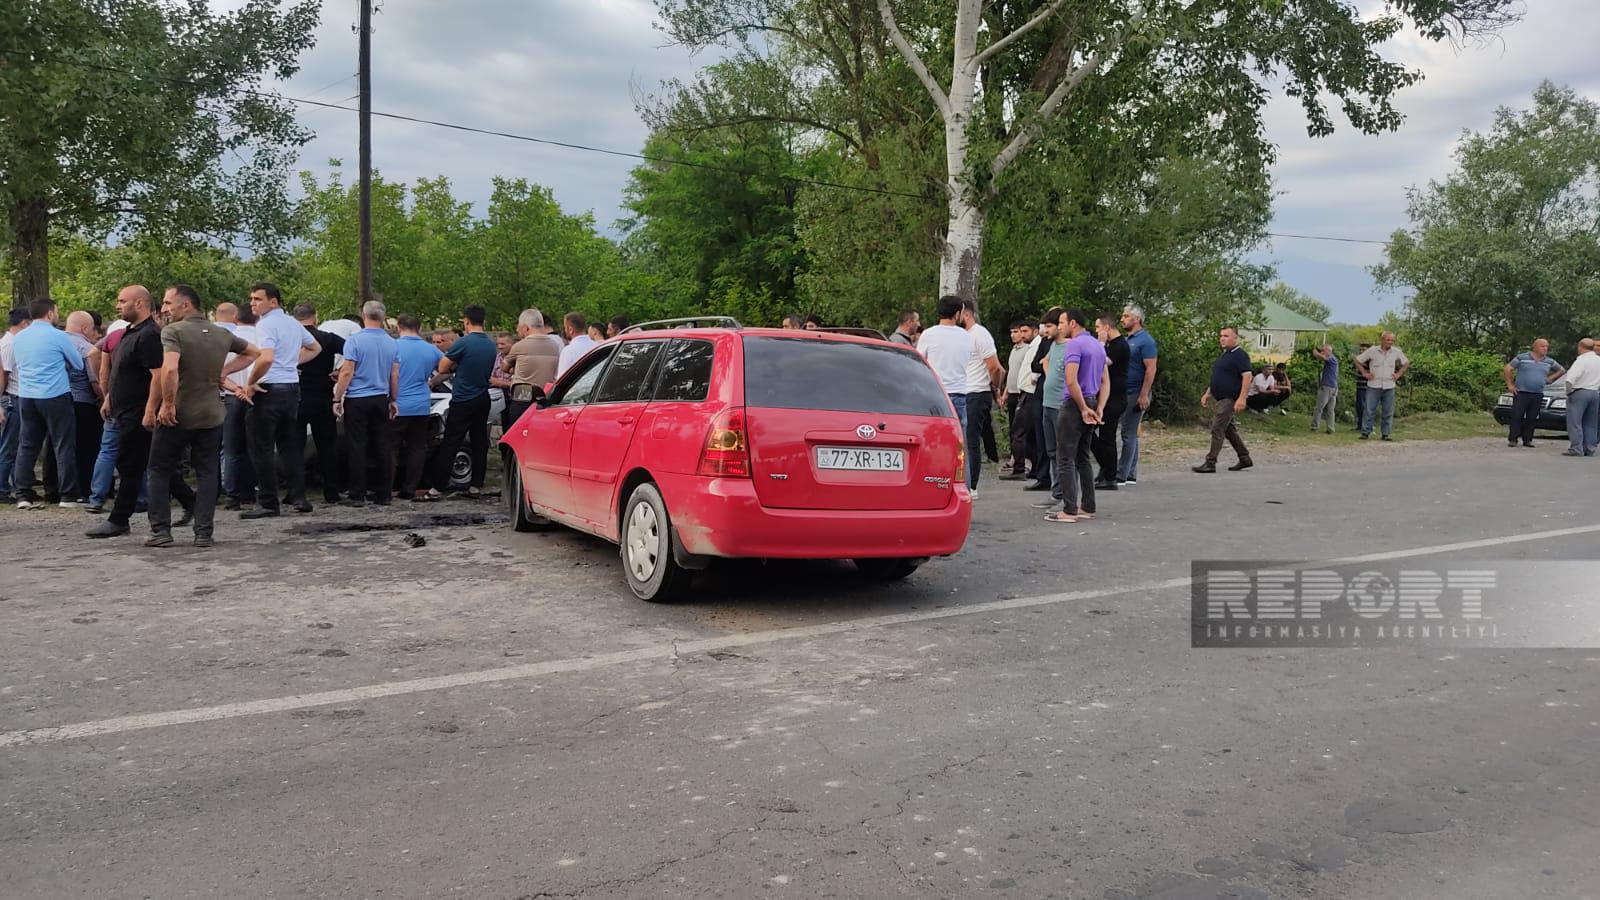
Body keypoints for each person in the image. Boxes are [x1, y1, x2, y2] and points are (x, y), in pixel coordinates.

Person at [145, 284, 258, 547]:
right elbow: (253, 352)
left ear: (186, 305)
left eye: (168, 303)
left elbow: (170, 369)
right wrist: (224, 373)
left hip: (179, 412)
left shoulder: (173, 331)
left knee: (159, 469)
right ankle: (204, 533)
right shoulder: (221, 333)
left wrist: (168, 404)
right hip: (211, 412)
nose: (164, 309)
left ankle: (161, 531)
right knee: (207, 472)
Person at [86, 286, 170, 538]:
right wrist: (109, 398)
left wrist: (150, 409)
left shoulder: (150, 335)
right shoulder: (128, 333)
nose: (118, 305)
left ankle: (119, 519)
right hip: (122, 410)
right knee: (142, 462)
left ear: (140, 303)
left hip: (138, 411)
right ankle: (190, 501)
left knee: (132, 465)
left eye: (123, 301)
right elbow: (120, 371)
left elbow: (157, 375)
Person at [240, 282, 321, 518]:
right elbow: (315, 347)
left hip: (268, 389)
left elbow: (266, 358)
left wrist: (251, 382)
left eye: (257, 299)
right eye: (251, 299)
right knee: (290, 446)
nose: (252, 303)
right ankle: (299, 496)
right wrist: (291, 362)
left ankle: (268, 502)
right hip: (291, 388)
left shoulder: (265, 324)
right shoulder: (293, 323)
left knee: (261, 447)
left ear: (273, 301)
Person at [10, 299, 86, 508]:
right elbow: (78, 364)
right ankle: (68, 495)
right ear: (50, 313)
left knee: (27, 445)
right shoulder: (58, 336)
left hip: (26, 395)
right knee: (63, 444)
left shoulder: (19, 337)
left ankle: (23, 494)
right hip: (55, 394)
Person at [1043, 309, 1108, 524]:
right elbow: (1105, 381)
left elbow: (1071, 381)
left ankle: (1069, 509)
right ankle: (1088, 506)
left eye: (1062, 322)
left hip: (1074, 404)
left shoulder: (1074, 345)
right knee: (1082, 457)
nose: (1060, 326)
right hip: (1091, 399)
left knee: (1065, 458)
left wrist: (1082, 408)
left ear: (1073, 323)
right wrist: (1099, 407)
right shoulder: (1097, 345)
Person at [334, 300, 399, 507]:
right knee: (382, 445)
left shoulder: (354, 341)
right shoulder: (392, 343)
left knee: (357, 445)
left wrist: (337, 397)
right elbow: (394, 374)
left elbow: (347, 371)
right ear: (383, 317)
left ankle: (357, 493)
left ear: (363, 315)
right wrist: (393, 399)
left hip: (358, 398)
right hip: (380, 397)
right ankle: (384, 493)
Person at [431, 304, 498, 497]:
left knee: (451, 442)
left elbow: (442, 367)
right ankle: (476, 485)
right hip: (482, 396)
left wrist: (455, 366)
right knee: (479, 442)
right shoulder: (490, 344)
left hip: (463, 398)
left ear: (466, 321)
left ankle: (438, 487)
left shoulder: (464, 342)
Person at [293, 304, 347, 504]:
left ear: (295, 319)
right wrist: (340, 370)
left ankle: (296, 493)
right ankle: (331, 491)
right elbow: (354, 352)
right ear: (315, 318)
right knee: (327, 446)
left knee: (294, 447)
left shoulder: (291, 337)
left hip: (296, 397)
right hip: (322, 396)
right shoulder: (328, 338)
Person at [394, 314, 446, 502]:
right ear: (420, 328)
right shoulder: (431, 349)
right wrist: (432, 382)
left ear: (398, 327)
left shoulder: (393, 346)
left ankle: (386, 486)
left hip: (397, 404)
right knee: (417, 448)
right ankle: (410, 488)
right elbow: (448, 368)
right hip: (421, 404)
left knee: (390, 447)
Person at [1192, 326, 1254, 473]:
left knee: (1217, 427)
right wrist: (1208, 393)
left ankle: (1210, 462)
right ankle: (1244, 458)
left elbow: (1247, 376)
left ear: (1235, 338)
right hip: (1220, 398)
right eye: (1221, 336)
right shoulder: (1225, 355)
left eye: (1226, 336)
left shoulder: (1240, 355)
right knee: (1229, 430)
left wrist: (1242, 398)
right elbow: (1219, 377)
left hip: (1230, 398)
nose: (1222, 339)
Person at [957, 301, 1003, 496]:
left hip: (977, 392)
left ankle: (972, 486)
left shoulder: (980, 334)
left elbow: (995, 367)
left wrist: (995, 387)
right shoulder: (963, 336)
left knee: (971, 441)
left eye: (958, 314)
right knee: (964, 440)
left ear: (966, 315)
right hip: (965, 392)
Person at [218, 302, 260, 509]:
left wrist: (234, 388)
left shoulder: (227, 340)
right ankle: (252, 491)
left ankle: (232, 494)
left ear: (236, 318)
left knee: (232, 448)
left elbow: (218, 373)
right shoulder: (262, 338)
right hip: (256, 395)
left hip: (232, 395)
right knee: (256, 446)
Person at [915, 294, 974, 439]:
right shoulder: (966, 336)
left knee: (933, 437)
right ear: (957, 314)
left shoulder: (928, 334)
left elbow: (919, 362)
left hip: (934, 393)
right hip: (959, 393)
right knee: (958, 439)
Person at [61, 310, 104, 504]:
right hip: (83, 402)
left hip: (59, 400)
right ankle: (86, 489)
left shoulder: (55, 343)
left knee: (61, 447)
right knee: (87, 447)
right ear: (85, 328)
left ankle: (57, 488)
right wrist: (103, 398)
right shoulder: (87, 348)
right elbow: (94, 380)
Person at [1027, 309, 1066, 497]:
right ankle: (1045, 479)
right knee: (1044, 442)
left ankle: (1063, 493)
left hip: (1059, 401)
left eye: (1049, 325)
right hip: (1042, 397)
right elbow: (1035, 364)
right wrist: (1043, 363)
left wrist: (1045, 364)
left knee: (1061, 449)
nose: (1046, 330)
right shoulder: (1047, 343)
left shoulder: (1068, 346)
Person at [1117, 306, 1157, 487]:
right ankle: (1131, 473)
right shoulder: (1127, 339)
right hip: (1125, 391)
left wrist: (1143, 394)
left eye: (1126, 316)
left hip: (1136, 392)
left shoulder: (1145, 341)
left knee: (1128, 433)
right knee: (1131, 432)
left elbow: (1151, 368)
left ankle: (1122, 474)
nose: (1122, 319)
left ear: (1137, 319)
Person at [503, 308, 561, 425]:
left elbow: (504, 367)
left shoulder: (519, 346)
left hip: (522, 398)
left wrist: (515, 369)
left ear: (526, 328)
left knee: (518, 432)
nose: (517, 330)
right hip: (545, 399)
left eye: (518, 327)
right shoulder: (555, 346)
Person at [1503, 338, 1564, 449]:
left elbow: (1561, 370)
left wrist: (1550, 378)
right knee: (1517, 415)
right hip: (1521, 392)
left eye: (1546, 346)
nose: (1545, 348)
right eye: (1542, 346)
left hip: (1537, 393)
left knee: (1532, 417)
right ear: (1534, 347)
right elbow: (1508, 368)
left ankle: (1527, 439)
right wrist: (1510, 385)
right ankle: (1513, 439)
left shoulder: (1549, 361)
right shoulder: (1522, 357)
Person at [1092, 314, 1129, 491]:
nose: (1096, 331)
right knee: (1091, 433)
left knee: (1107, 437)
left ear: (1106, 327)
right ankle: (1105, 468)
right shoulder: (1109, 345)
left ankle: (1110, 476)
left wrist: (1099, 343)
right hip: (1104, 396)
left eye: (1098, 327)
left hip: (1115, 397)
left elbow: (1102, 362)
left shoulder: (1120, 345)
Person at [0, 307, 30, 503]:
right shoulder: (10, 344)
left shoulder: (10, 342)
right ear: (24, 323)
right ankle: (2, 488)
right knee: (9, 446)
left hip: (15, 397)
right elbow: (4, 374)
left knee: (14, 445)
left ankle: (12, 484)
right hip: (12, 397)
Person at [1356, 334, 1409, 441]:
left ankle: (1386, 434)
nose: (1390, 342)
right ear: (1382, 339)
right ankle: (1365, 432)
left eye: (1392, 340)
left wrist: (1398, 374)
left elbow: (1406, 362)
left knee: (1388, 411)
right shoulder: (1372, 350)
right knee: (1369, 410)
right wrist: (1365, 373)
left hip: (1389, 385)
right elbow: (1358, 360)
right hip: (1373, 385)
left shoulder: (1396, 351)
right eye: (1388, 340)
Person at [1001, 320, 1035, 481]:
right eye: (1012, 332)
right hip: (1012, 393)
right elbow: (1011, 373)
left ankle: (1024, 463)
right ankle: (1015, 459)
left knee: (1022, 431)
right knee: (1013, 429)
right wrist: (1005, 393)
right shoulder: (1013, 350)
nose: (1014, 335)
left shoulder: (1028, 349)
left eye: (1017, 332)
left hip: (1023, 393)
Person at [1562, 338, 1600, 457]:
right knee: (1591, 423)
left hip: (1579, 392)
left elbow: (1570, 379)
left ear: (1580, 347)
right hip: (1594, 392)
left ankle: (1576, 448)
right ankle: (1589, 448)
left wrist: (1568, 392)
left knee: (1575, 421)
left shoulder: (1581, 361)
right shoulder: (1598, 360)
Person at [556, 312, 597, 378]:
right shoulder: (597, 346)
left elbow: (562, 379)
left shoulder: (568, 351)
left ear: (570, 330)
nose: (565, 330)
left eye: (565, 328)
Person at [1310, 344, 1339, 434]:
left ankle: (1315, 426)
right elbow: (1322, 358)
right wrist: (1317, 354)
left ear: (1329, 351)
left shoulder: (1331, 358)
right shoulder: (1333, 359)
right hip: (1333, 387)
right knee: (1330, 409)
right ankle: (1330, 428)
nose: (1322, 352)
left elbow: (1323, 358)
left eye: (1323, 350)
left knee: (1319, 407)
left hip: (1327, 386)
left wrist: (1316, 353)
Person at [1353, 342, 1371, 433]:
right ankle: (1360, 424)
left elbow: (1364, 365)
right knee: (1359, 406)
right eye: (1360, 350)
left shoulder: (1369, 360)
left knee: (1365, 406)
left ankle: (1367, 426)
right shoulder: (1360, 359)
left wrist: (1357, 361)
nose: (1361, 351)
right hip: (1359, 385)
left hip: (1366, 387)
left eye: (1363, 350)